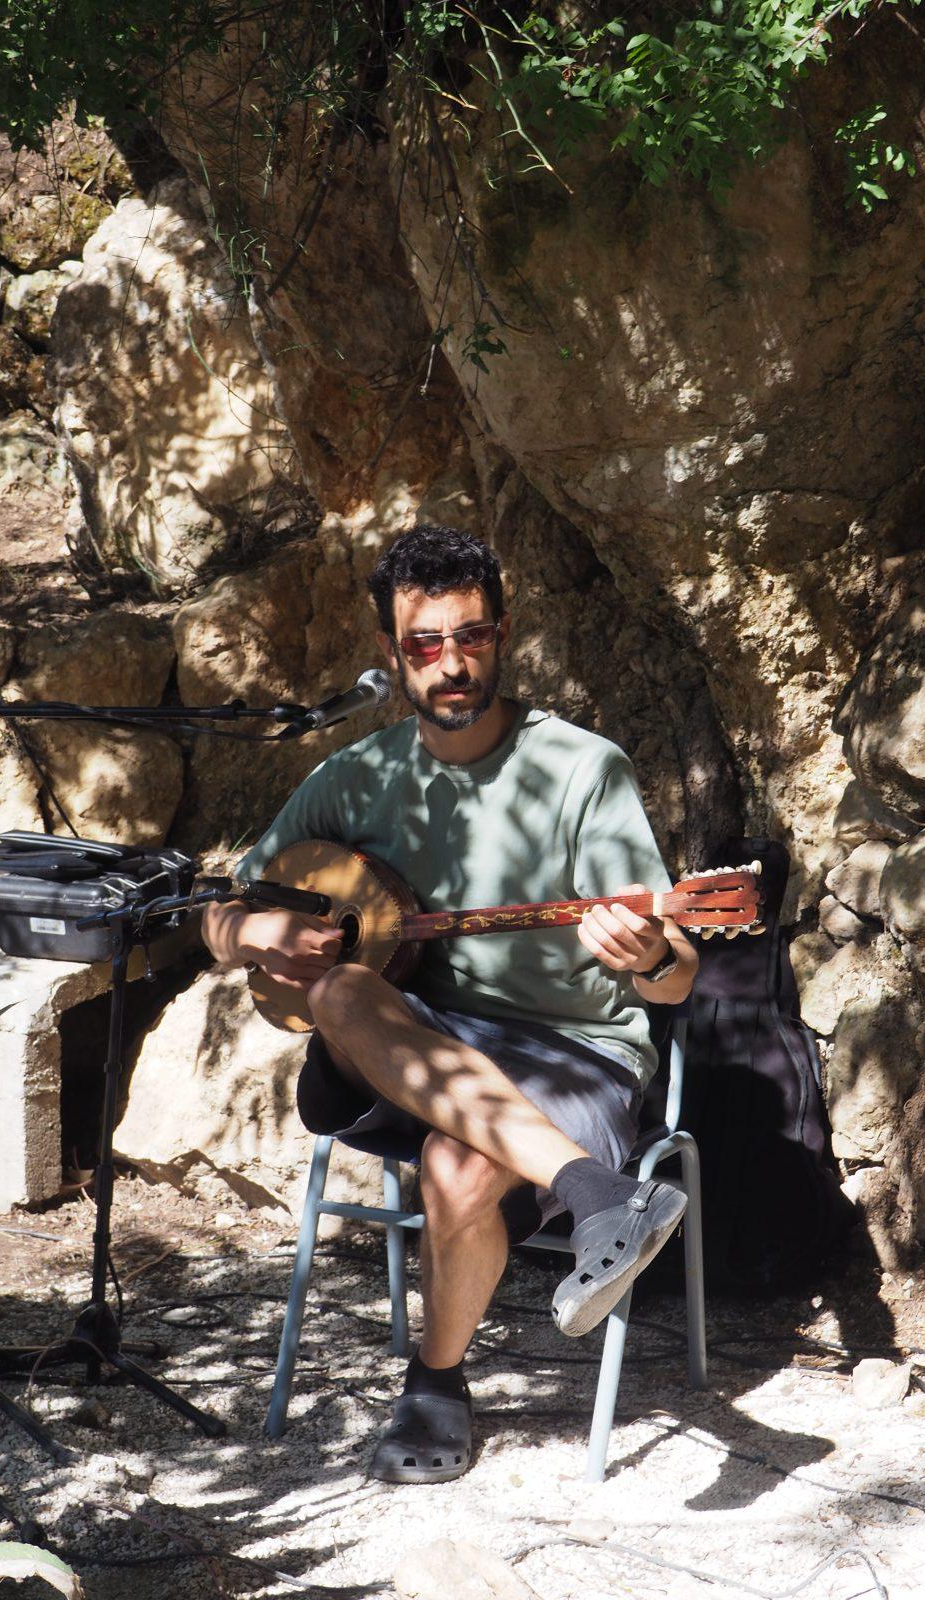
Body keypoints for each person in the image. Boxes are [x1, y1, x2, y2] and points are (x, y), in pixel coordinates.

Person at [202, 524, 698, 1483]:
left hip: (575, 1052)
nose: (451, 661)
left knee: (458, 1161)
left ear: (502, 634)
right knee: (344, 984)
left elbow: (675, 978)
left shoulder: (585, 772)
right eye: (425, 645)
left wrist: (649, 956)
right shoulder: (360, 777)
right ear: (392, 655)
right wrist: (247, 936)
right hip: (407, 1040)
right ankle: (597, 1195)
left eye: (470, 636)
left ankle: (435, 1386)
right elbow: (219, 909)